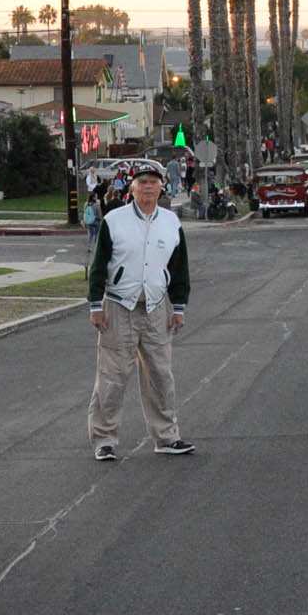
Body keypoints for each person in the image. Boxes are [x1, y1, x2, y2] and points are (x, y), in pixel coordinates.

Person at [85, 159, 195, 460]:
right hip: (119, 306)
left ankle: (167, 437)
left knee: (161, 376)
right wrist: (96, 305)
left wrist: (179, 308)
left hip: (157, 307)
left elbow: (179, 268)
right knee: (112, 377)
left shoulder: (171, 223)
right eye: (142, 182)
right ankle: (104, 440)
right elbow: (98, 267)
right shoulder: (114, 221)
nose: (148, 187)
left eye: (153, 182)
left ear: (162, 187)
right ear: (131, 187)